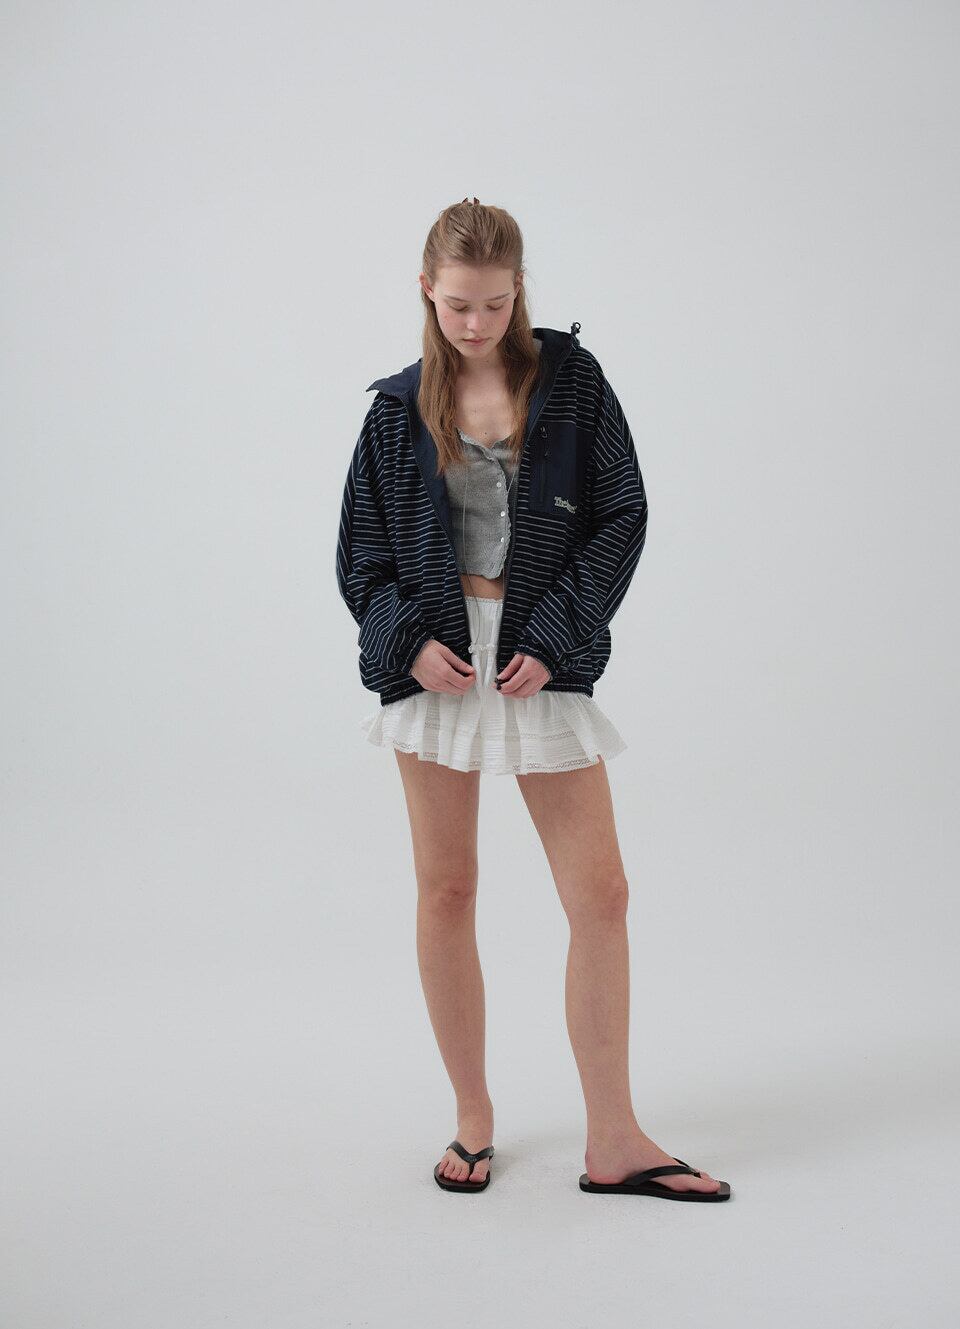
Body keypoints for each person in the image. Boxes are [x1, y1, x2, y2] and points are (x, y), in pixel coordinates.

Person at [336, 198, 730, 1202]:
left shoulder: (574, 382)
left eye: (495, 303)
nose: (476, 323)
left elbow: (623, 513)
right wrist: (407, 642)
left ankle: (615, 1138)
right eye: (458, 305)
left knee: (601, 896)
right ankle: (472, 1117)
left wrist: (555, 636)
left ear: (520, 292)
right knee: (447, 890)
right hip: (437, 663)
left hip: (539, 652)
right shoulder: (394, 411)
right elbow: (362, 558)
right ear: (426, 292)